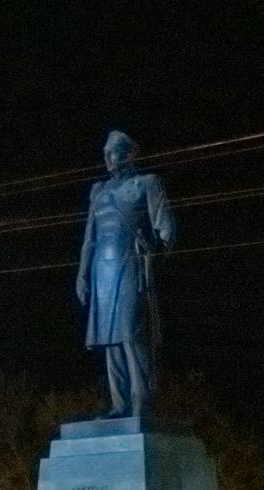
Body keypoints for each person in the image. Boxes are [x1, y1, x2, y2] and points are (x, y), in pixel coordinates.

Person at [75, 131, 176, 418]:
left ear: (129, 154)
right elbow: (89, 239)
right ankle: (119, 404)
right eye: (105, 153)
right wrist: (82, 275)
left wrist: (154, 251)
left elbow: (166, 229)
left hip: (131, 265)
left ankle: (141, 401)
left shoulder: (147, 184)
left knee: (131, 333)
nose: (107, 158)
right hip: (101, 272)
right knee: (110, 337)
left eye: (113, 152)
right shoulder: (98, 191)